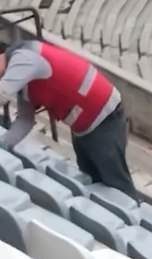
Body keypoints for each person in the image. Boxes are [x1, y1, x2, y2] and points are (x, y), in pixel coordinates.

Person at [0, 39, 136, 199]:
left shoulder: (24, 58)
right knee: (92, 182)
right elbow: (25, 120)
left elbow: (2, 93)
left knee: (116, 185)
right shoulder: (22, 79)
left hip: (104, 117)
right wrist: (4, 145)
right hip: (83, 125)